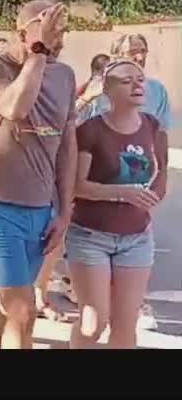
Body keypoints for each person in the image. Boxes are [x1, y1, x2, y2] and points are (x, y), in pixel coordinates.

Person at [0, 0, 76, 350]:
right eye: (49, 27)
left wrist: (64, 211)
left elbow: (66, 146)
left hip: (41, 210)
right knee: (23, 311)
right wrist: (39, 50)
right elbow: (15, 107)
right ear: (22, 32)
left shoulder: (64, 75)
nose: (58, 37)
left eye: (61, 29)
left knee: (10, 309)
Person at [67, 59, 167, 349]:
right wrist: (122, 193)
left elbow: (161, 175)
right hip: (90, 236)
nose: (137, 84)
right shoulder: (90, 130)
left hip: (136, 238)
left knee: (126, 324)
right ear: (108, 90)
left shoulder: (153, 127)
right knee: (93, 322)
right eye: (127, 80)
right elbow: (76, 185)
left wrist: (151, 200)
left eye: (140, 79)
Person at [77, 34, 172, 132]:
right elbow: (71, 122)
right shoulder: (99, 89)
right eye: (132, 52)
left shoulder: (157, 90)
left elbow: (161, 132)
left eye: (143, 51)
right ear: (116, 57)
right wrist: (85, 99)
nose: (140, 57)